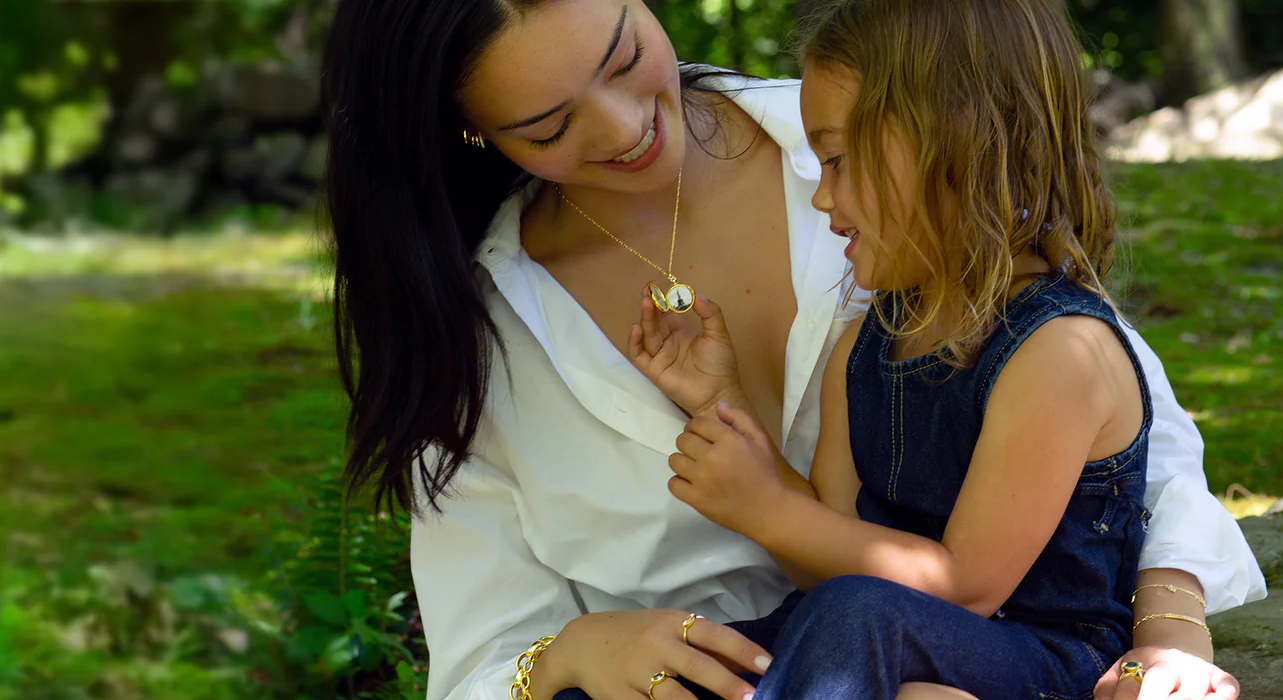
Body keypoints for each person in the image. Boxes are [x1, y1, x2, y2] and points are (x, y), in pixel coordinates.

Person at [317, 1, 1267, 699]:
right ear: (469, 128)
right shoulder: (468, 336)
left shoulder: (882, 122)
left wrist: (1172, 636)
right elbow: (484, 657)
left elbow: (1138, 448)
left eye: (623, 56)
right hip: (782, 658)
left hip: (961, 649)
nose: (623, 127)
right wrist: (564, 656)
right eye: (549, 125)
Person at [625, 1, 1233, 698]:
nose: (821, 198)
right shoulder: (864, 343)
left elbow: (966, 586)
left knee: (856, 615)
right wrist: (722, 408)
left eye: (838, 160)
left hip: (1036, 657)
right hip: (879, 636)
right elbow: (830, 554)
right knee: (662, 671)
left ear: (959, 144)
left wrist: (765, 508)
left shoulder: (1057, 350)